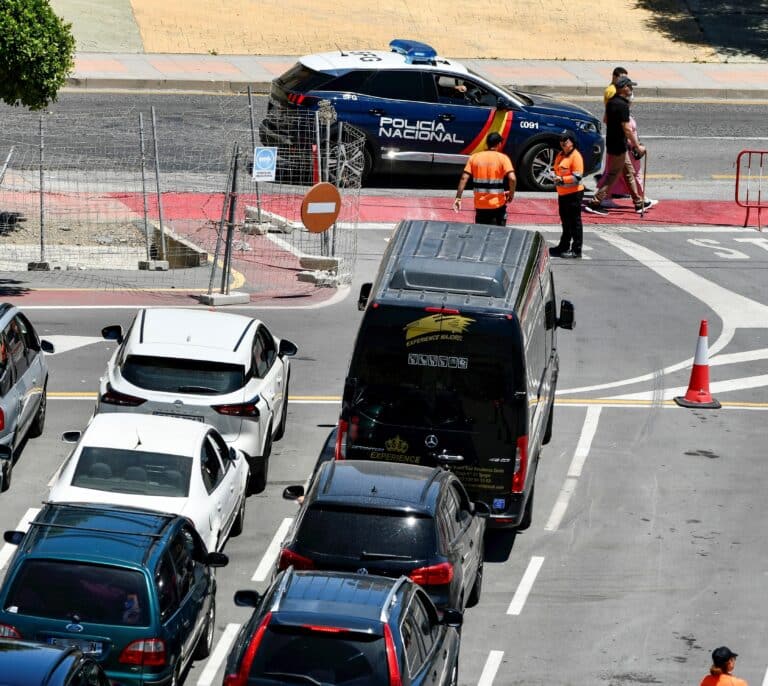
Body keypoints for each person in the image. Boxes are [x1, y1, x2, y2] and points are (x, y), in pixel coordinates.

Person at [584, 76, 657, 216]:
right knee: (613, 175)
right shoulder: (622, 105)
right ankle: (595, 202)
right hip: (619, 147)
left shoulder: (611, 102)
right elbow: (627, 128)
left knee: (629, 173)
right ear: (623, 88)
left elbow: (607, 120)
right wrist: (637, 146)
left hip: (614, 143)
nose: (631, 89)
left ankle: (638, 202)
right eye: (629, 86)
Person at [454, 132, 516, 225]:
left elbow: (464, 178)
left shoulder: (474, 157)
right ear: (499, 144)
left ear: (486, 143)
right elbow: (512, 178)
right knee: (499, 235)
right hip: (497, 205)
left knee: (481, 235)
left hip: (480, 206)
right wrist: (511, 194)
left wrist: (458, 198)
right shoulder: (503, 158)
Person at [549, 130, 584, 259]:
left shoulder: (576, 156)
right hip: (563, 193)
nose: (563, 144)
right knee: (565, 222)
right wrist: (554, 175)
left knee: (574, 222)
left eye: (566, 142)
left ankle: (576, 250)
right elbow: (557, 169)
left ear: (572, 143)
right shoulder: (560, 155)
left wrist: (562, 179)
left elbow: (577, 177)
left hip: (574, 194)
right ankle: (563, 246)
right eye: (561, 142)